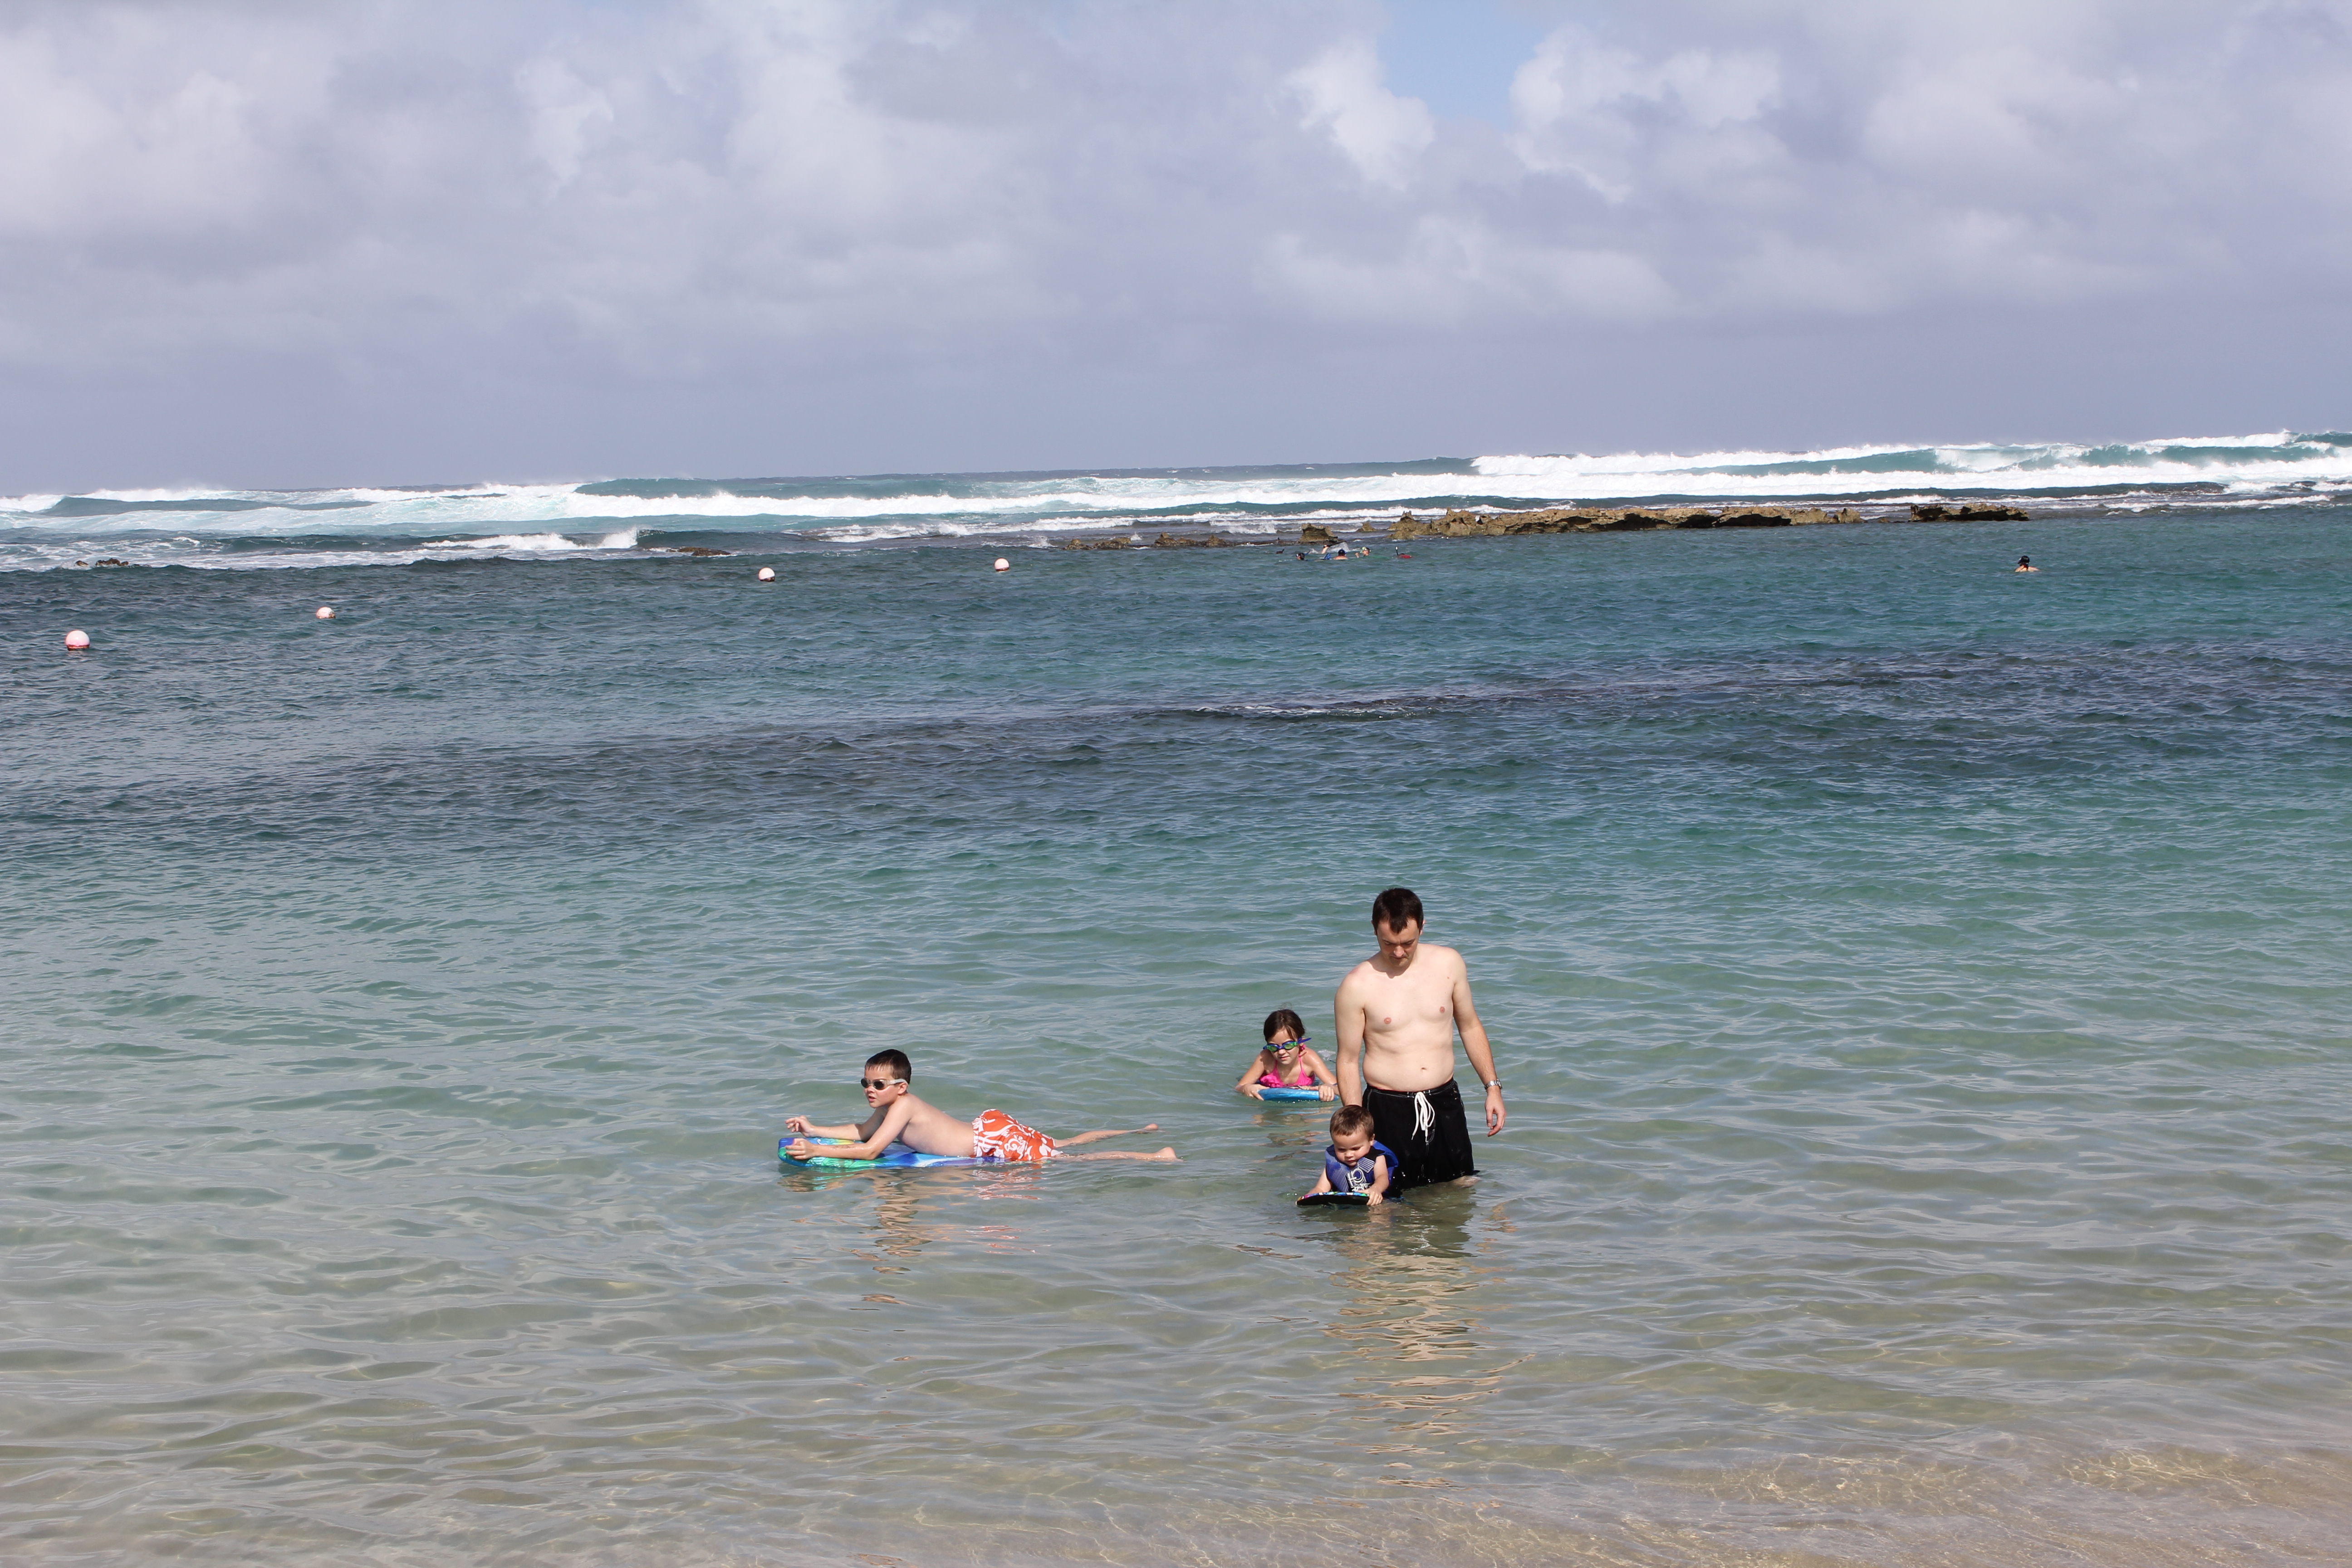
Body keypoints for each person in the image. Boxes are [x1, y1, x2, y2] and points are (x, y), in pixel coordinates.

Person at [1334, 887, 1503, 1191]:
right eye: (1389, 944)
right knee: (1391, 1198)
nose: (1399, 953)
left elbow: (1470, 1026)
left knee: (1459, 1189)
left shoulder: (1449, 965)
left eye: (1408, 943)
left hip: (1444, 1101)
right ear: (1375, 931)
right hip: (1388, 1107)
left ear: (1423, 927)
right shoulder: (1356, 985)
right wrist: (1356, 1126)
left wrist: (1492, 1087)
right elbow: (1347, 1058)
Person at [783, 1050, 1176, 1163]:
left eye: (879, 1084)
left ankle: (1155, 1155)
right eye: (865, 1083)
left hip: (994, 1145)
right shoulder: (892, 1107)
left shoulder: (902, 1106)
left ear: (900, 1087)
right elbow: (863, 1132)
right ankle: (1140, 1128)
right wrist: (815, 1129)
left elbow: (870, 1151)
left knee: (1068, 1159)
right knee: (1065, 1141)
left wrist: (816, 1152)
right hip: (989, 1129)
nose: (870, 1089)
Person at [1235, 1008, 1338, 1100]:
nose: (1281, 1052)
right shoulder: (1266, 1058)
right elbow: (1239, 1087)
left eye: (1288, 1045)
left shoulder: (1309, 1058)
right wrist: (1247, 1088)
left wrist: (1329, 1088)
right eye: (1273, 1047)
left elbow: (1340, 1088)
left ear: (1301, 1042)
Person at [1305, 1104, 1395, 1204]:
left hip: (1375, 1200)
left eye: (1356, 1149)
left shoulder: (1377, 1158)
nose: (1348, 1155)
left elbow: (1383, 1178)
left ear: (1371, 1140)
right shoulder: (1334, 1162)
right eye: (1341, 1149)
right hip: (1344, 1203)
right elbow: (1321, 1188)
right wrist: (1310, 1197)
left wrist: (1376, 1189)